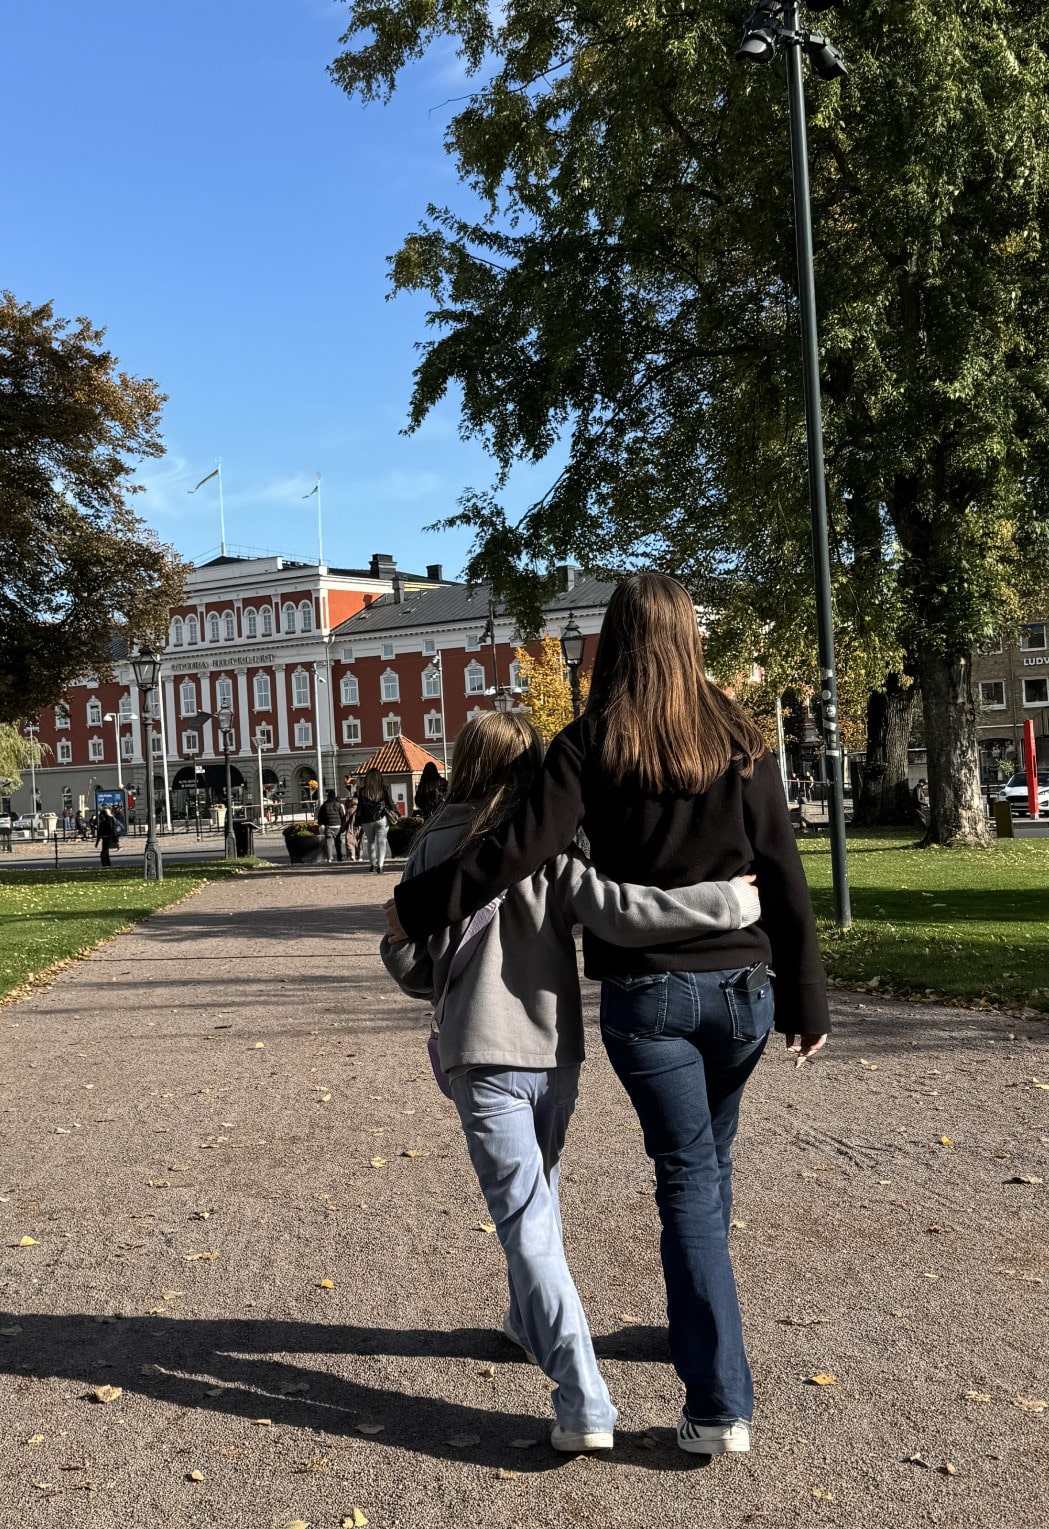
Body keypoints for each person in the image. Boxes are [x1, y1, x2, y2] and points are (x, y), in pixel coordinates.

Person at [384, 572, 828, 1459]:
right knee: (709, 1167)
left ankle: (719, 1404)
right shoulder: (743, 740)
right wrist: (806, 997)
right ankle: (700, 1338)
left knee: (689, 1177)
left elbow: (519, 848)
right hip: (744, 986)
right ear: (692, 638)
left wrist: (416, 905)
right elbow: (782, 868)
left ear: (613, 643)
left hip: (650, 995)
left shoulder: (593, 743)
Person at [354, 769, 393, 873]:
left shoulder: (362, 791)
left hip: (367, 820)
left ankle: (372, 864)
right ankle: (380, 865)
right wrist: (396, 813)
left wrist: (357, 821)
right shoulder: (383, 789)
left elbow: (360, 807)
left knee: (370, 842)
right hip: (381, 819)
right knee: (381, 842)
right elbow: (390, 802)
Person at [316, 789, 347, 864]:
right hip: (337, 826)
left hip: (328, 826)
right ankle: (340, 857)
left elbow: (320, 816)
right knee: (338, 842)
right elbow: (342, 816)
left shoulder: (325, 805)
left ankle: (329, 858)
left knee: (328, 842)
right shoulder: (338, 805)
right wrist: (343, 825)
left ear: (328, 796)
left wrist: (321, 824)